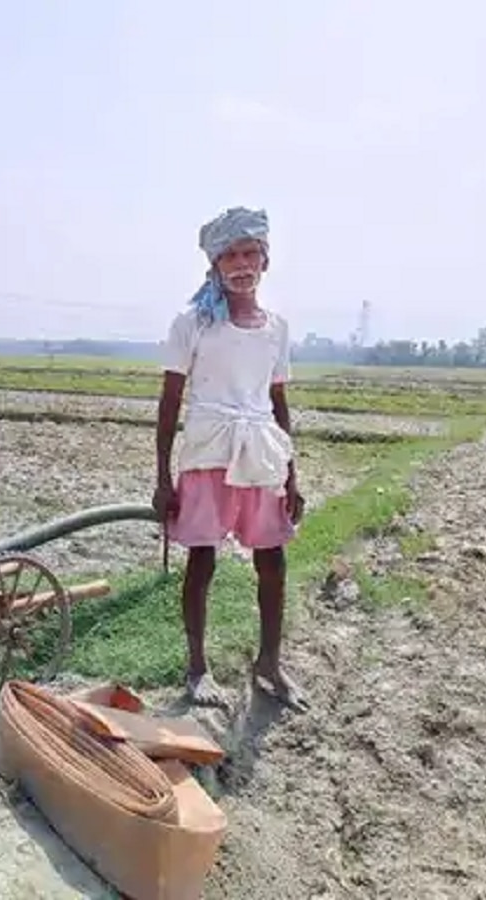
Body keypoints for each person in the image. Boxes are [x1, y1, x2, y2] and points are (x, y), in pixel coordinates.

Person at [153, 205, 306, 710]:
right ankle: (197, 667)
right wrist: (162, 478)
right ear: (215, 264)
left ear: (265, 260)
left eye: (250, 253)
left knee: (273, 561)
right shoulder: (193, 324)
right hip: (207, 450)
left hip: (261, 452)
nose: (241, 264)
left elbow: (277, 399)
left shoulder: (277, 329)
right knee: (202, 559)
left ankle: (269, 662)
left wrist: (292, 476)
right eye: (230, 255)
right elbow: (170, 401)